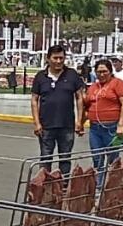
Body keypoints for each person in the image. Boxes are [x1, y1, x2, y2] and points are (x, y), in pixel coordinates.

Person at [30, 45, 85, 176]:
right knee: (45, 158)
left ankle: (64, 186)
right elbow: (34, 100)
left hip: (67, 125)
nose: (59, 61)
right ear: (48, 59)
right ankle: (44, 186)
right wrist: (37, 123)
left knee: (65, 158)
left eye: (61, 58)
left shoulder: (72, 75)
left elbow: (79, 98)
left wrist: (79, 121)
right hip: (46, 126)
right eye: (55, 58)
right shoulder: (40, 77)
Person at [81, 59, 123, 188]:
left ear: (110, 71)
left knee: (113, 159)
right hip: (95, 129)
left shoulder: (117, 84)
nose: (102, 74)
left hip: (112, 128)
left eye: (104, 71)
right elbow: (87, 107)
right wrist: (80, 124)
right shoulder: (93, 87)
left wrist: (121, 124)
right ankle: (99, 185)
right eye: (99, 72)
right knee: (97, 158)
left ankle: (112, 187)